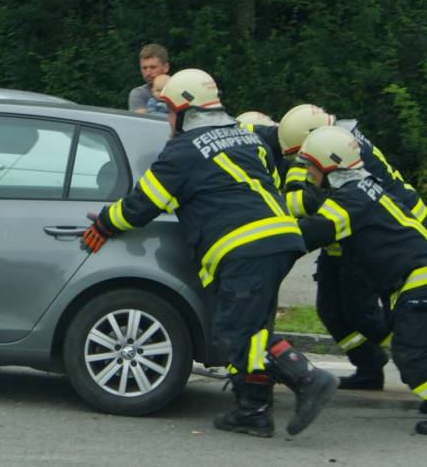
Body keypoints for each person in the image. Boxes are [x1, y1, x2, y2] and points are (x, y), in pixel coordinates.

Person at [82, 68, 338, 438]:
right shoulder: (247, 138)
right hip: (278, 241)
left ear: (187, 110)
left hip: (245, 248)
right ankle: (253, 411)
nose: (168, 119)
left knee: (235, 334)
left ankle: (309, 378)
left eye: (169, 110)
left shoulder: (183, 152)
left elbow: (142, 204)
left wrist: (104, 223)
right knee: (252, 329)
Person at [275, 104, 427, 390]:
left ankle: (409, 358)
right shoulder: (346, 165)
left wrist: (265, 227)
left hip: (407, 268)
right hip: (400, 262)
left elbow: (313, 226)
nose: (305, 171)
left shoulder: (349, 196)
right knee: (336, 310)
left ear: (326, 160)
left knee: (407, 347)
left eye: (308, 164)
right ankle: (372, 365)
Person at [128, 44, 170, 114]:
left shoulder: (181, 89)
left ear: (166, 67)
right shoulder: (139, 94)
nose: (148, 73)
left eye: (153, 67)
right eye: (144, 68)